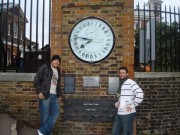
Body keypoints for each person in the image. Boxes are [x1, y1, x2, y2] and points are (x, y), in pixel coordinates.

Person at [34, 55, 62, 135]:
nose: (57, 62)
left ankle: (42, 131)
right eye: (55, 60)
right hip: (45, 95)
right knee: (45, 116)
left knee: (55, 113)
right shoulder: (44, 68)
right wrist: (39, 92)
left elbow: (58, 84)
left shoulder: (58, 70)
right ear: (51, 60)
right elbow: (36, 80)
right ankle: (45, 133)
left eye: (58, 61)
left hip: (54, 96)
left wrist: (59, 95)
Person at [112, 66, 144, 135]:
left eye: (123, 73)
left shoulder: (130, 82)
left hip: (128, 113)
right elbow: (122, 97)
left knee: (127, 133)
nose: (121, 74)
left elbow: (140, 94)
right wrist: (117, 103)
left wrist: (132, 105)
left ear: (127, 74)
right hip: (119, 113)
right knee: (115, 132)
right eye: (120, 73)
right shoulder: (121, 83)